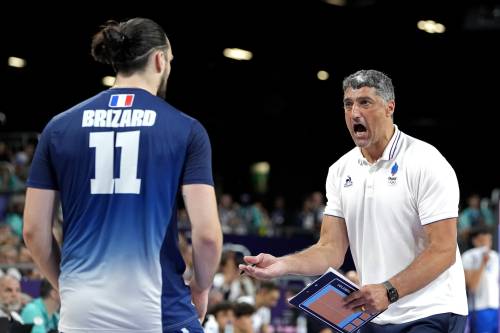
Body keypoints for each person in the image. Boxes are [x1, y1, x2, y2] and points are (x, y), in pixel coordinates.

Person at [22, 17, 222, 333]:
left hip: (80, 313)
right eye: (170, 59)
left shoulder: (59, 127)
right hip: (159, 309)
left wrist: (66, 283)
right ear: (159, 59)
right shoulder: (186, 129)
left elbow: (33, 230)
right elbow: (207, 235)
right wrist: (201, 287)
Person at [240, 69, 468, 332]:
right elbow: (330, 249)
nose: (354, 113)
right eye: (348, 104)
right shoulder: (341, 170)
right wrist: (282, 265)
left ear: (389, 107)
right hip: (376, 315)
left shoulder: (425, 161)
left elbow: (443, 249)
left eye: (365, 102)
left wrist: (389, 291)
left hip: (431, 311)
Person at [461, 227, 499, 333]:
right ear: (475, 241)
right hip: (479, 308)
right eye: (483, 240)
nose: (487, 243)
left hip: (496, 307)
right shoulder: (468, 256)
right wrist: (483, 262)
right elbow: (472, 286)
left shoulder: (495, 256)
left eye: (489, 239)